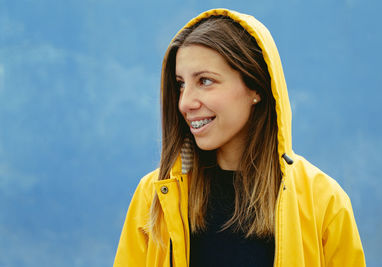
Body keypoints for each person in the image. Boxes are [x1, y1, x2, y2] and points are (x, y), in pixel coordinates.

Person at [114, 8, 366, 267]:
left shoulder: (323, 201)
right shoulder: (154, 196)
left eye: (205, 81)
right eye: (181, 84)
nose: (185, 103)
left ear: (255, 87)